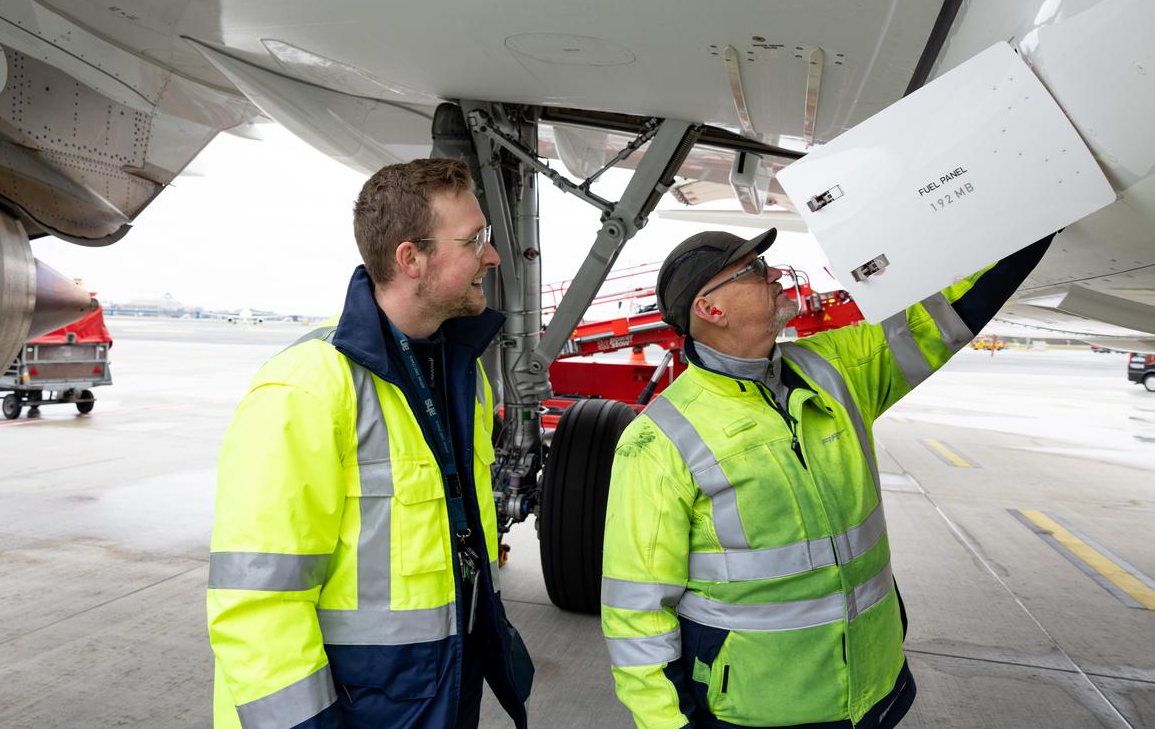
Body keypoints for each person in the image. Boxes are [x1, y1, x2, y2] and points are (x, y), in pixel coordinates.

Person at [601, 228, 1052, 729]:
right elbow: (636, 613)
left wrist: (1042, 214)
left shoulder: (834, 370)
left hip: (873, 689)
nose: (772, 273)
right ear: (711, 309)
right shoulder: (658, 440)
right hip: (761, 711)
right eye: (752, 269)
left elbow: (943, 318)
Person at [208, 158, 533, 729]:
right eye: (474, 239)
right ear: (411, 258)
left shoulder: (465, 376)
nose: (492, 255)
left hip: (438, 696)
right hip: (359, 710)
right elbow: (259, 603)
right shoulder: (304, 390)